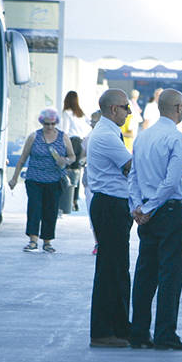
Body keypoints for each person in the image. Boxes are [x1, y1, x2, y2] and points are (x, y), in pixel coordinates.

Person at [127, 89, 182, 350]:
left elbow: (133, 176)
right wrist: (152, 206)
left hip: (148, 213)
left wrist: (138, 206)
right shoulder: (176, 138)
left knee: (145, 273)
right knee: (170, 275)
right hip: (168, 210)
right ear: (178, 109)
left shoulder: (143, 137)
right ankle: (166, 333)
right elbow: (172, 179)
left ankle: (139, 332)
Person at [86, 89, 134, 348]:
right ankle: (105, 331)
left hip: (111, 203)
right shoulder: (105, 135)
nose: (129, 112)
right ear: (114, 109)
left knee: (116, 268)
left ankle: (118, 327)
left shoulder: (108, 132)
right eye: (126, 107)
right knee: (111, 270)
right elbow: (130, 166)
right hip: (110, 204)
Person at [8, 107, 75, 254]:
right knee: (34, 209)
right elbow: (23, 158)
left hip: (54, 180)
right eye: (46, 124)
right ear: (41, 123)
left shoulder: (63, 137)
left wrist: (65, 160)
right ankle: (33, 241)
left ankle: (47, 241)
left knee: (50, 211)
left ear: (56, 123)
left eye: (52, 124)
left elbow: (72, 156)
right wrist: (14, 178)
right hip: (34, 179)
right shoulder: (34, 137)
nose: (49, 127)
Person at [60, 90, 89, 212]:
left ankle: (67, 199)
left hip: (71, 142)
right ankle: (75, 200)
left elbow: (65, 130)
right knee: (77, 172)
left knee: (67, 171)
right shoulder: (81, 113)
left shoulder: (66, 113)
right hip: (81, 142)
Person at [81, 109, 101, 255]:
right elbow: (81, 157)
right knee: (93, 212)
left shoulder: (108, 136)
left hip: (97, 181)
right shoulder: (89, 138)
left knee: (96, 212)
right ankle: (97, 242)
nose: (93, 125)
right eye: (92, 122)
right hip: (91, 180)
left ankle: (99, 242)